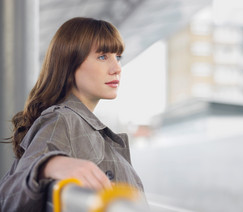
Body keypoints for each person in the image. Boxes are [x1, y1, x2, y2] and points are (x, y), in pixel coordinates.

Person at [0, 17, 144, 211]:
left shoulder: (83, 124)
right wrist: (47, 166)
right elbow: (8, 199)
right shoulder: (63, 119)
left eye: (118, 57)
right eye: (102, 56)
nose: (117, 68)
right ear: (69, 63)